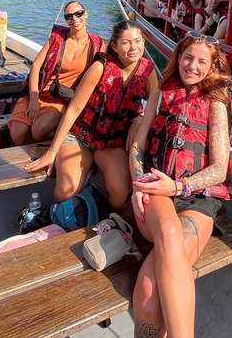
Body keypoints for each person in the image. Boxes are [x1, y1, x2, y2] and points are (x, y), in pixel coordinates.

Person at [128, 31, 232, 338]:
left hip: (195, 197)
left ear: (212, 65)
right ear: (179, 57)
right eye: (188, 58)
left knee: (148, 291)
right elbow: (138, 148)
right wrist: (137, 185)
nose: (193, 65)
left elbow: (219, 169)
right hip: (155, 190)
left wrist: (180, 186)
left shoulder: (217, 100)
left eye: (202, 61)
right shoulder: (161, 92)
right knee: (170, 237)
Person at [25, 21, 158, 211]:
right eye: (126, 42)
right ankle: (81, 188)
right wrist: (52, 152)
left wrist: (140, 118)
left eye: (138, 41)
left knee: (121, 194)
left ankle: (106, 216)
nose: (133, 47)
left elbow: (155, 106)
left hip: (112, 143)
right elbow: (73, 110)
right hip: (80, 136)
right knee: (65, 191)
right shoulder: (100, 67)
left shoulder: (148, 71)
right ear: (115, 45)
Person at [9, 2, 104, 146]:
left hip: (60, 100)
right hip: (37, 94)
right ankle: (41, 153)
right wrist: (34, 99)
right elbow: (36, 66)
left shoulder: (97, 44)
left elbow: (104, 74)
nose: (74, 18)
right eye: (69, 16)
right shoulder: (56, 39)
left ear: (86, 14)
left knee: (38, 131)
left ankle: (66, 138)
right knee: (17, 133)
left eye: (79, 13)